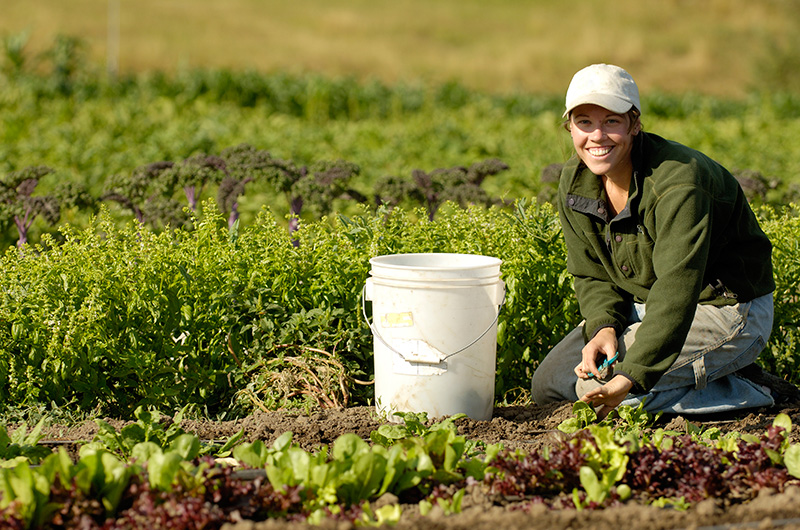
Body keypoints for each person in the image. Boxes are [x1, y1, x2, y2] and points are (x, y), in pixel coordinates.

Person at [530, 63, 795, 418]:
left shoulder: (678, 182)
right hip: (647, 307)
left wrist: (631, 377)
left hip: (724, 309)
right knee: (547, 385)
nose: (597, 136)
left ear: (634, 124)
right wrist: (604, 327)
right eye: (584, 122)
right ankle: (700, 374)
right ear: (570, 128)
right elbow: (591, 274)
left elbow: (677, 289)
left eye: (611, 121)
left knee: (609, 395)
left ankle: (748, 391)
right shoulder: (575, 183)